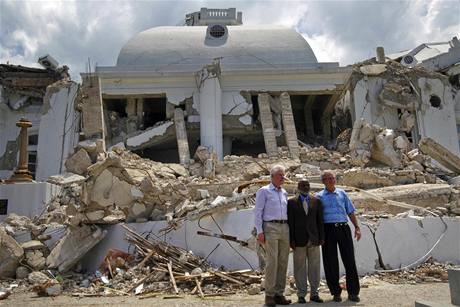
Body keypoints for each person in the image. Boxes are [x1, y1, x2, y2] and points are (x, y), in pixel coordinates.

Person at [315, 170, 361, 302]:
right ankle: (336, 292)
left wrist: (357, 227)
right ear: (323, 182)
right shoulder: (319, 197)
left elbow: (350, 211)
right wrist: (319, 235)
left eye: (332, 178)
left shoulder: (342, 193)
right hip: (327, 230)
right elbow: (317, 217)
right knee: (330, 262)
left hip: (343, 228)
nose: (331, 180)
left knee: (349, 260)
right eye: (328, 178)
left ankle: (353, 292)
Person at [254, 165, 291, 307]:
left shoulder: (284, 192)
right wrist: (259, 231)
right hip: (270, 227)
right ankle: (269, 295)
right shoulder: (264, 191)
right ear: (273, 176)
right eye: (280, 175)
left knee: (283, 261)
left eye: (283, 174)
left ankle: (279, 294)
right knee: (272, 261)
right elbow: (258, 212)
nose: (283, 177)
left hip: (284, 227)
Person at [287, 179, 324, 304]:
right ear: (298, 187)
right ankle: (301, 294)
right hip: (298, 240)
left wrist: (321, 237)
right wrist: (291, 240)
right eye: (303, 185)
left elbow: (320, 221)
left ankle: (314, 293)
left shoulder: (316, 201)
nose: (306, 187)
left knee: (315, 267)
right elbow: (290, 223)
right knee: (299, 267)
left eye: (307, 185)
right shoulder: (291, 202)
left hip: (314, 239)